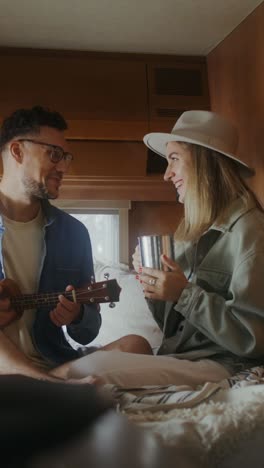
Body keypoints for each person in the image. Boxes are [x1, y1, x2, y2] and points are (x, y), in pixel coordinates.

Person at [52, 110, 264, 387]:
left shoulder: (251, 234)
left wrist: (184, 294)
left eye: (174, 159)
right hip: (183, 358)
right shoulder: (194, 232)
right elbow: (174, 328)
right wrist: (153, 285)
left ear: (205, 163)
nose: (166, 174)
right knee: (90, 366)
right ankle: (27, 390)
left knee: (94, 372)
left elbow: (253, 339)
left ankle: (24, 391)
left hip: (223, 364)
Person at [0, 105, 101, 381]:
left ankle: (50, 387)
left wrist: (78, 314)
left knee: (135, 345)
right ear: (17, 151)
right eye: (54, 155)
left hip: (54, 365)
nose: (64, 167)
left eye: (66, 157)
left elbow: (88, 331)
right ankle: (50, 389)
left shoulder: (74, 234)